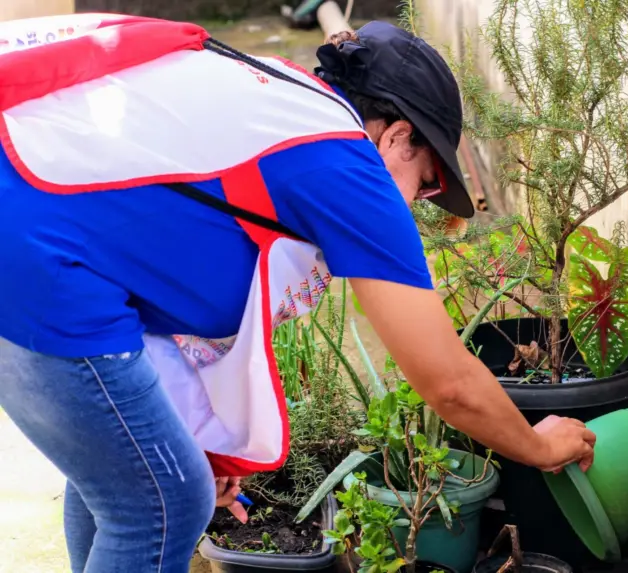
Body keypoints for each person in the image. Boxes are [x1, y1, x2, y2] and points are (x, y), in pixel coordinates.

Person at [0, 13, 596, 573]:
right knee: (161, 501)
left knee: (126, 482)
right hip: (38, 264)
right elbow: (447, 382)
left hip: (37, 244)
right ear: (397, 136)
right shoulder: (345, 164)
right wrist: (535, 446)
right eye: (427, 181)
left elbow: (144, 241)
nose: (414, 205)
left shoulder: (281, 100)